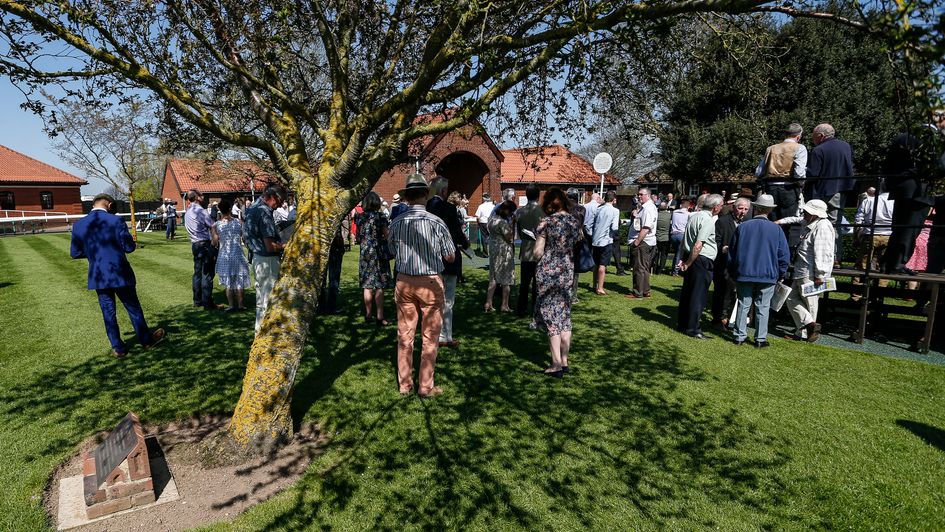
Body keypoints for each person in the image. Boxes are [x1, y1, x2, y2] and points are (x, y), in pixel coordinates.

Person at [70, 193, 165, 358]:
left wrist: (94, 253)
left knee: (108, 311)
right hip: (119, 271)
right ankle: (146, 340)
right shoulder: (116, 221)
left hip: (98, 274)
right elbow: (129, 247)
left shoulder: (79, 225)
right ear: (109, 204)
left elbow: (75, 253)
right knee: (133, 307)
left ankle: (118, 347)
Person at [389, 173, 456, 398]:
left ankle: (404, 384)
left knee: (405, 336)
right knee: (430, 337)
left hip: (404, 280)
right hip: (429, 281)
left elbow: (390, 251)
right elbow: (449, 257)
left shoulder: (396, 222)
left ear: (407, 197)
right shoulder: (436, 222)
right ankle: (425, 386)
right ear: (426, 195)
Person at [882, 109, 945, 274]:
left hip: (901, 188)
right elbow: (940, 165)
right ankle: (897, 264)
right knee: (910, 228)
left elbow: (888, 164)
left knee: (899, 227)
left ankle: (887, 263)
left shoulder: (903, 136)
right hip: (920, 190)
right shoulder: (934, 138)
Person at [727, 194, 790, 347]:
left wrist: (733, 272)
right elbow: (784, 256)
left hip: (744, 272)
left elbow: (732, 253)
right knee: (763, 306)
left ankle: (739, 336)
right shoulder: (776, 230)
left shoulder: (742, 227)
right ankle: (760, 339)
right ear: (769, 210)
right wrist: (781, 273)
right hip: (767, 274)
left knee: (743, 304)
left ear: (755, 207)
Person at [533, 187, 583, 377]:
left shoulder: (546, 223)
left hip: (548, 271)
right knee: (564, 316)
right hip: (566, 271)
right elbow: (578, 242)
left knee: (551, 317)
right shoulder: (573, 222)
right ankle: (564, 361)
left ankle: (555, 364)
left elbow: (537, 253)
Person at [776, 199, 837, 342]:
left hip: (811, 272)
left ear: (815, 213)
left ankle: (805, 332)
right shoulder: (811, 221)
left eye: (807, 211)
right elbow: (796, 219)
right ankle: (809, 325)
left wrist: (820, 275)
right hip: (802, 269)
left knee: (810, 303)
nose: (804, 213)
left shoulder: (822, 226)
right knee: (791, 299)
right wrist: (780, 221)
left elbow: (823, 252)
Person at [426, 176, 469, 346]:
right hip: (448, 258)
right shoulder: (449, 208)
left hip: (428, 259)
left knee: (430, 299)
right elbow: (457, 232)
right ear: (444, 191)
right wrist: (465, 244)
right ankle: (445, 335)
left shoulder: (425, 207)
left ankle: (430, 333)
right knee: (447, 299)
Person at [677, 194, 724, 339]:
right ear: (715, 207)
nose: (721, 208)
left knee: (688, 293)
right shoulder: (708, 220)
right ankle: (693, 329)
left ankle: (683, 324)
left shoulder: (693, 216)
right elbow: (698, 244)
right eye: (721, 205)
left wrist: (684, 260)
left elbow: (686, 240)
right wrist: (689, 262)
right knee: (698, 296)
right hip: (700, 259)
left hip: (691, 257)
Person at [806, 123, 855, 261]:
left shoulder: (818, 150)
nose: (812, 139)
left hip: (823, 191)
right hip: (842, 189)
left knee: (814, 223)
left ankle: (816, 257)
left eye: (814, 136)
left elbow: (813, 173)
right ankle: (836, 258)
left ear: (821, 136)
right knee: (835, 224)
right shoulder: (846, 146)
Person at [243, 185, 287, 334]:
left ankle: (260, 333)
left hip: (257, 258)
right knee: (269, 300)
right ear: (273, 197)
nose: (281, 205)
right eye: (280, 201)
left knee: (261, 300)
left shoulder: (254, 206)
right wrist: (286, 245)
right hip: (266, 260)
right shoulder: (264, 211)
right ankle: (266, 335)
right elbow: (270, 246)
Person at [756, 122, 808, 221]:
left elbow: (758, 172)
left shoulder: (770, 148)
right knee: (787, 221)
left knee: (771, 219)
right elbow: (799, 173)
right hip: (789, 188)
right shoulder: (800, 148)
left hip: (770, 188)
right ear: (798, 137)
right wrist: (801, 184)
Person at [712, 197, 750, 327]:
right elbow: (715, 241)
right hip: (723, 264)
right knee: (722, 293)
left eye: (746, 209)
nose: (743, 212)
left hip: (739, 265)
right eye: (740, 208)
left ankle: (731, 319)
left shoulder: (748, 223)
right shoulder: (722, 222)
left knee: (735, 294)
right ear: (734, 207)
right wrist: (722, 248)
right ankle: (718, 319)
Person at [358, 191, 393, 326]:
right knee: (379, 285)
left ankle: (368, 315)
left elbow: (359, 236)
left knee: (367, 285)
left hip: (365, 253)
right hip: (378, 252)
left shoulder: (360, 217)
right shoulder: (380, 217)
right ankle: (380, 316)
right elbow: (387, 234)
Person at [211, 198, 250, 312]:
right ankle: (241, 304)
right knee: (239, 280)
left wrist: (213, 234)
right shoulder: (238, 222)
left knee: (229, 282)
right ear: (229, 209)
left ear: (220, 210)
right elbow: (244, 237)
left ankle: (232, 305)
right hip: (238, 253)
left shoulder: (216, 225)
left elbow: (214, 242)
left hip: (225, 255)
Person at [184, 189, 219, 309]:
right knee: (207, 273)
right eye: (201, 195)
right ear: (197, 197)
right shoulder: (200, 211)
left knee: (197, 273)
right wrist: (215, 242)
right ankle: (207, 302)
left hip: (195, 244)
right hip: (204, 244)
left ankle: (197, 300)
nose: (203, 197)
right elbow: (212, 225)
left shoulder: (188, 211)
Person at [516, 183, 543, 317]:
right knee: (538, 283)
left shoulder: (520, 211)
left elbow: (519, 232)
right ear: (538, 195)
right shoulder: (542, 211)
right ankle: (535, 309)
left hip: (526, 250)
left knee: (524, 283)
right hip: (539, 251)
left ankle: (521, 309)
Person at [485, 200, 516, 312]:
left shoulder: (491, 219)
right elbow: (509, 237)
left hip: (493, 249)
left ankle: (488, 303)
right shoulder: (502, 222)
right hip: (503, 251)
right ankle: (504, 305)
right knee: (506, 278)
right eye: (511, 212)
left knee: (493, 277)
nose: (511, 215)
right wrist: (512, 225)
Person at [627, 187, 657, 298]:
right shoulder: (646, 207)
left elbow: (646, 227)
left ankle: (638, 292)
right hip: (646, 241)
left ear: (648, 195)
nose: (639, 196)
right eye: (638, 194)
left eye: (641, 194)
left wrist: (637, 242)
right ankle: (645, 290)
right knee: (644, 267)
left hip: (643, 242)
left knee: (639, 268)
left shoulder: (648, 208)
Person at [590, 191, 619, 295]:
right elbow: (615, 227)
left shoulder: (598, 209)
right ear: (613, 199)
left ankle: (594, 285)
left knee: (596, 264)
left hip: (596, 239)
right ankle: (600, 288)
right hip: (606, 240)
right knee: (603, 265)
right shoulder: (615, 211)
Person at [566, 188, 587, 304]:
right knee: (575, 269)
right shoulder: (581, 209)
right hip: (577, 240)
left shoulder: (563, 209)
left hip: (564, 241)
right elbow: (581, 225)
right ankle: (573, 296)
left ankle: (564, 293)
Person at [670, 199, 691, 275]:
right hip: (681, 235)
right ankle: (675, 271)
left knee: (676, 254)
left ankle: (674, 269)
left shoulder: (675, 212)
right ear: (688, 206)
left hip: (673, 235)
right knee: (679, 254)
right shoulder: (688, 214)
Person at [654, 202, 672, 275]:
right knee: (664, 254)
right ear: (666, 207)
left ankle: (655, 268)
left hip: (657, 237)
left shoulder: (656, 215)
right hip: (666, 237)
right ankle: (660, 269)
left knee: (656, 254)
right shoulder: (670, 215)